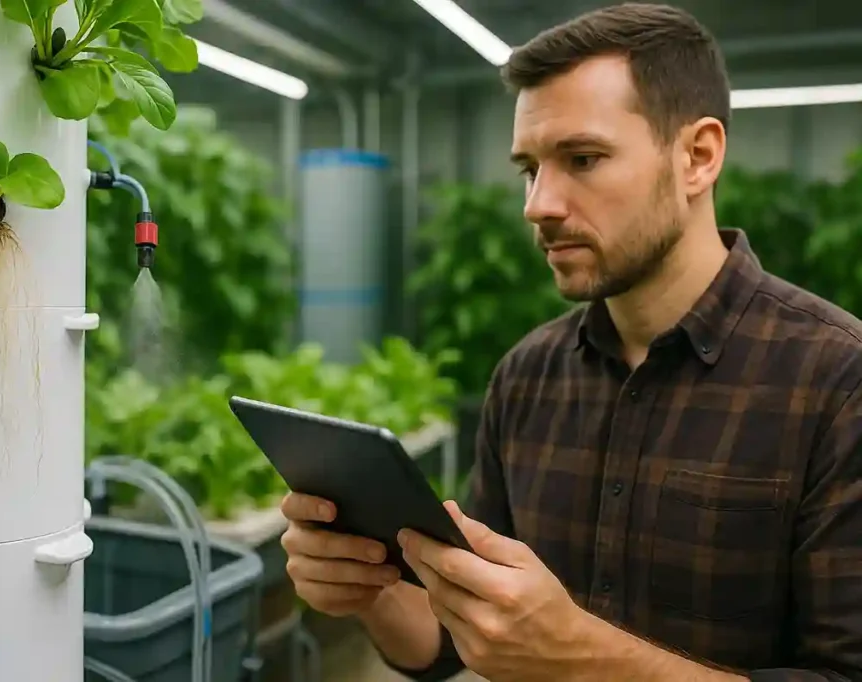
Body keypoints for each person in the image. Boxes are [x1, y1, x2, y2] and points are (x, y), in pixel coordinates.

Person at [278, 2, 862, 681]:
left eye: (582, 158)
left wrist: (584, 656)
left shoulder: (837, 383)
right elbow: (446, 643)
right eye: (529, 169)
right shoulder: (527, 377)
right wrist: (367, 588)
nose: (538, 204)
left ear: (697, 157)